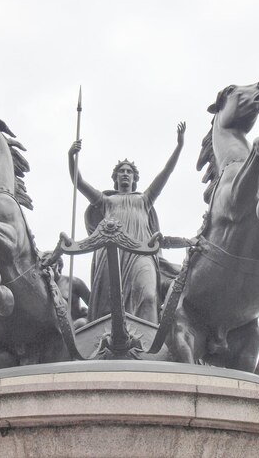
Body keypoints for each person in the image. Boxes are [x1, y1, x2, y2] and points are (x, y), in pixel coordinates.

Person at [68, 122, 186, 323]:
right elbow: (78, 181)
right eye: (121, 171)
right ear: (115, 178)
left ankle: (146, 343)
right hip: (111, 254)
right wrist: (71, 156)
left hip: (141, 253)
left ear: (134, 177)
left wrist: (179, 146)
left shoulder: (144, 199)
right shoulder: (106, 201)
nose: (125, 173)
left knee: (148, 297)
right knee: (109, 309)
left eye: (129, 171)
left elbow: (166, 172)